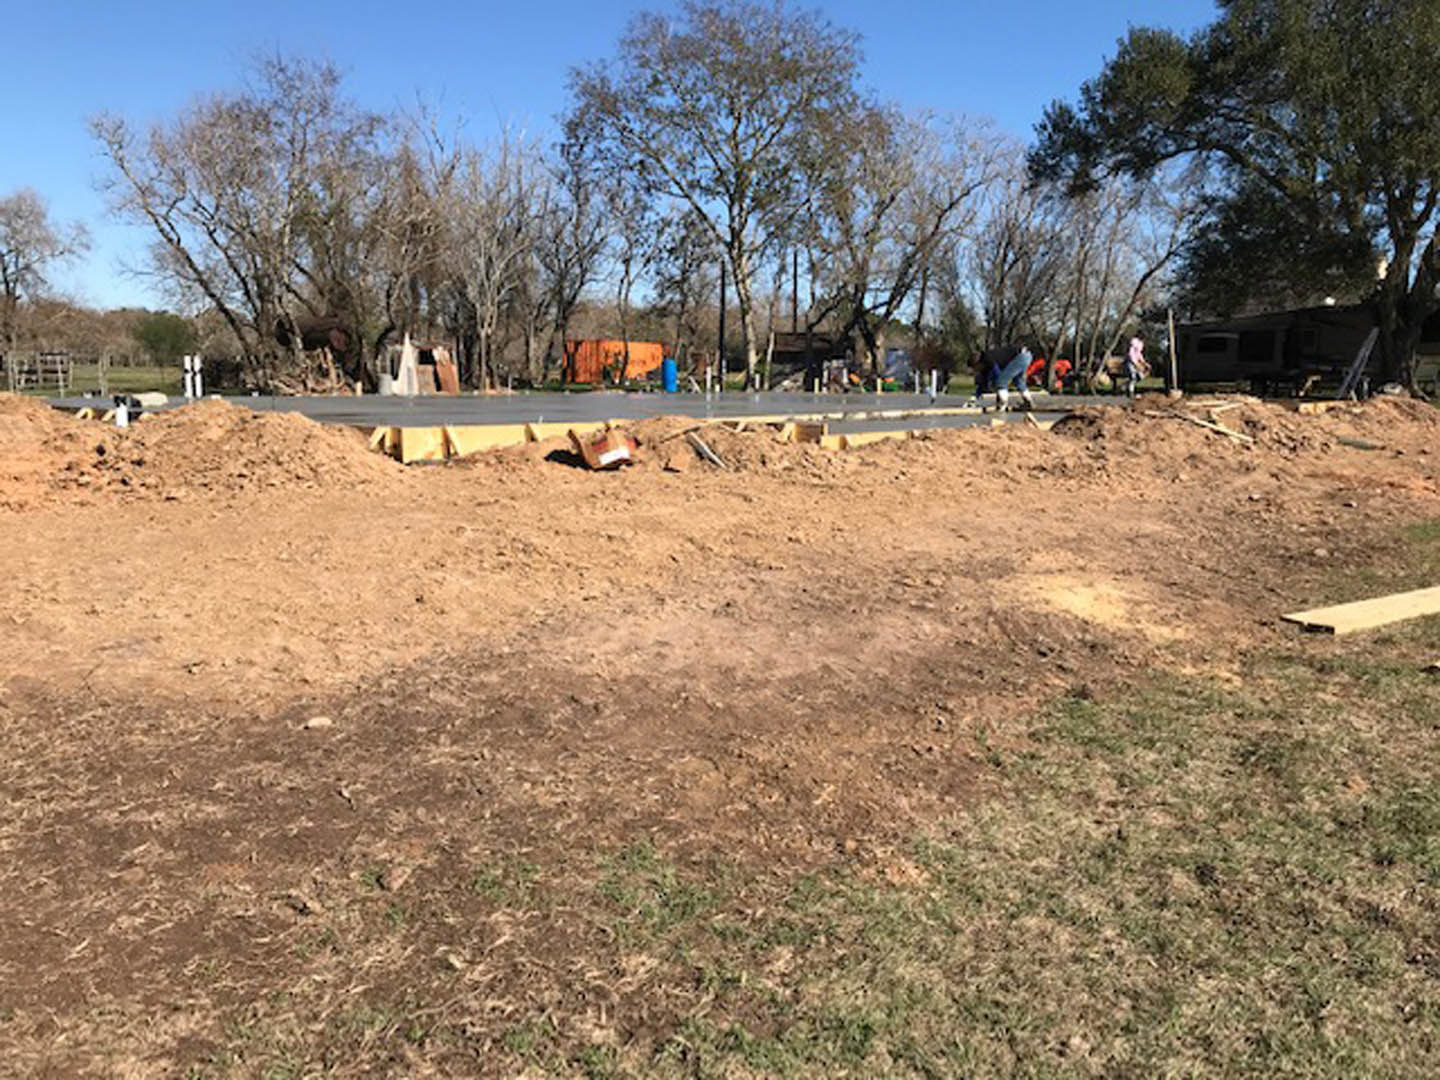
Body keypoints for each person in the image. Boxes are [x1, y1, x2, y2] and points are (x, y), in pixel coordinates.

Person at [991, 343, 1036, 412]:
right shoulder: (995, 355)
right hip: (1027, 355)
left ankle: (1002, 405)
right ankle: (1028, 401)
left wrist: (997, 385)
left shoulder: (988, 358)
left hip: (1020, 356)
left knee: (1001, 382)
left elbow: (997, 373)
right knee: (1018, 381)